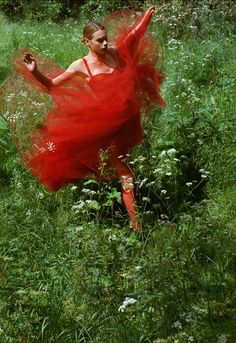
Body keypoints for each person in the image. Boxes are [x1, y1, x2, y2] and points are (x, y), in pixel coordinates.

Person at [15, 6, 165, 231]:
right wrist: (35, 71)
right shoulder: (80, 65)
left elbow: (132, 37)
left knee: (123, 168)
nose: (105, 44)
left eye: (106, 39)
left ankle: (122, 211)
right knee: (125, 173)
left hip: (124, 122)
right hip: (102, 126)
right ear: (86, 42)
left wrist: (146, 17)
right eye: (99, 41)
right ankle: (137, 228)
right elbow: (54, 85)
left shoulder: (114, 53)